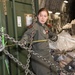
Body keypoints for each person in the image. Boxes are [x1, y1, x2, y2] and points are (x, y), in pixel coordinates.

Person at [20, 8, 60, 75]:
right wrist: (23, 41)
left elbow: (50, 34)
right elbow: (27, 34)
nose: (43, 18)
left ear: (47, 17)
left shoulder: (45, 26)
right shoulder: (34, 26)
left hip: (47, 55)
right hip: (39, 57)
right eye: (41, 15)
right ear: (38, 16)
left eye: (45, 16)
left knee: (54, 70)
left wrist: (54, 37)